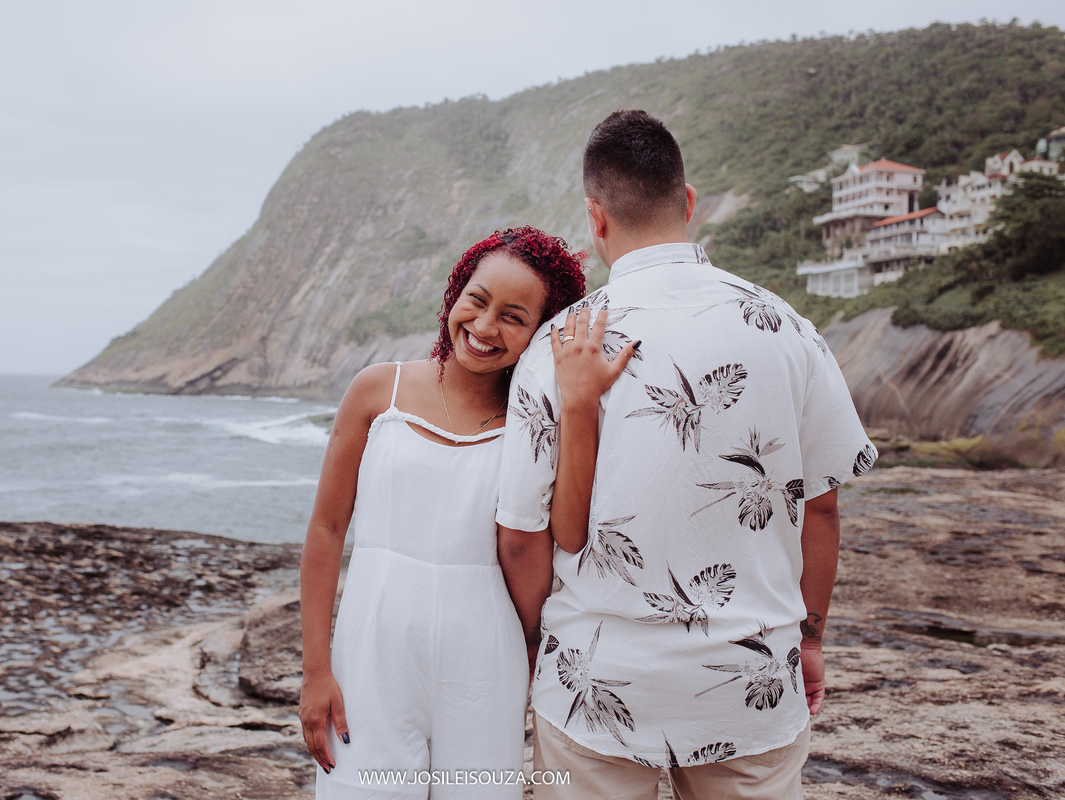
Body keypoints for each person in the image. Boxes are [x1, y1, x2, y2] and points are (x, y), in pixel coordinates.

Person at [496, 110, 876, 800]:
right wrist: (811, 640)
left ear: (595, 216)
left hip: (596, 683)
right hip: (750, 683)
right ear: (690, 201)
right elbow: (819, 509)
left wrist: (530, 645)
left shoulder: (561, 345)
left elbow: (523, 536)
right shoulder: (784, 327)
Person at [299, 226, 636, 798]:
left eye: (513, 317)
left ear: (540, 332)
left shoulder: (536, 423)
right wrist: (315, 671)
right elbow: (327, 530)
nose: (484, 326)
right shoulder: (378, 390)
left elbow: (564, 533)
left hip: (486, 657)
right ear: (456, 291)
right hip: (370, 652)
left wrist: (579, 406)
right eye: (476, 300)